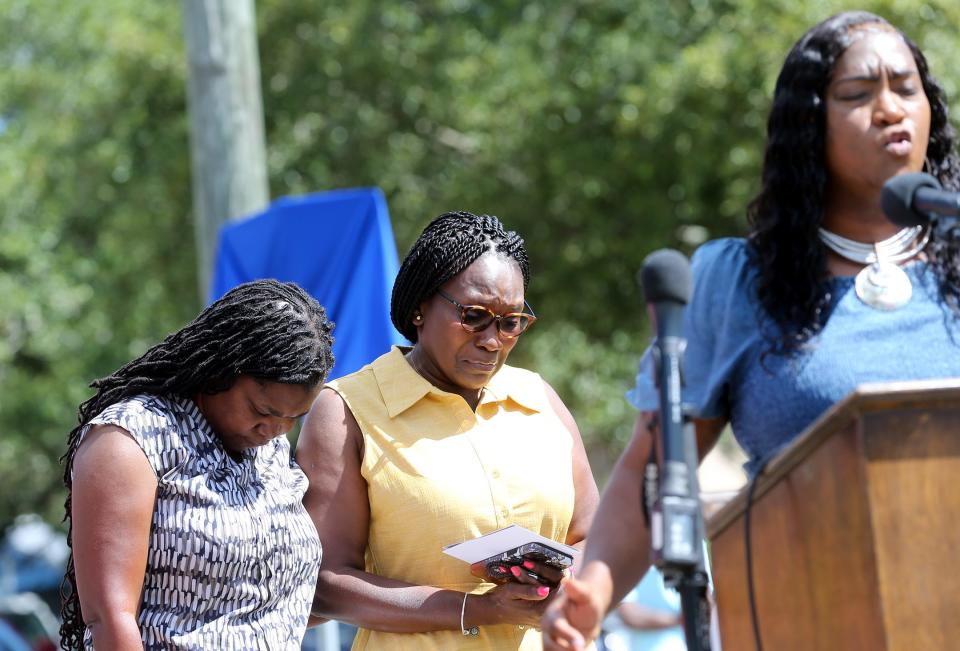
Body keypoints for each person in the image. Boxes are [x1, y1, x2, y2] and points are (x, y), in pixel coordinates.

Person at [541, 11, 960, 649]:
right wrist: (594, 589)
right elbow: (654, 470)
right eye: (857, 94)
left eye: (905, 88)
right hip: (807, 619)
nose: (888, 109)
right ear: (807, 125)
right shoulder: (741, 284)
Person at [296, 210, 599, 650]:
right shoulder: (348, 410)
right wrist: (477, 608)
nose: (493, 340)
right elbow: (323, 584)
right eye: (474, 315)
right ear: (421, 306)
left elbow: (593, 534)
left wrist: (558, 579)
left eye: (511, 322)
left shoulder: (538, 397)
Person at [59, 279, 335, 650]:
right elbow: (110, 618)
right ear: (219, 370)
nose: (274, 430)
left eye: (293, 418)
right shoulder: (132, 438)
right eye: (262, 411)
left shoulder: (271, 451)